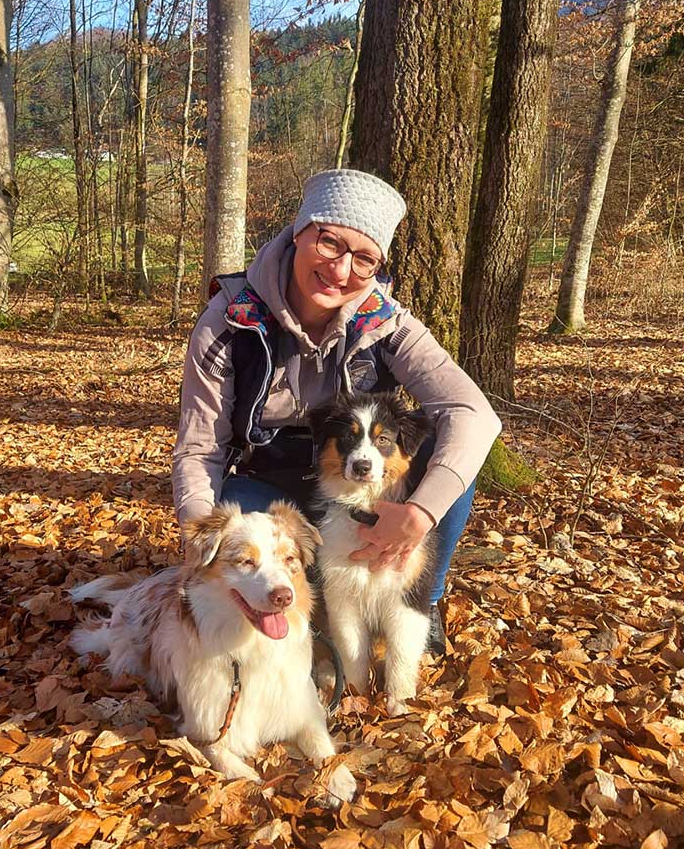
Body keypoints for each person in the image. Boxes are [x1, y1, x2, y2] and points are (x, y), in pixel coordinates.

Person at [173, 168, 501, 649]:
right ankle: (311, 608)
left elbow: (474, 413)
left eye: (364, 259)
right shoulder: (229, 321)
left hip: (360, 481)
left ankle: (421, 597)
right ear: (300, 232)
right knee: (237, 521)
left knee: (449, 464)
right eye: (329, 243)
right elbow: (200, 448)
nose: (342, 270)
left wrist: (419, 514)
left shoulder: (388, 325)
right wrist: (199, 540)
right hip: (269, 479)